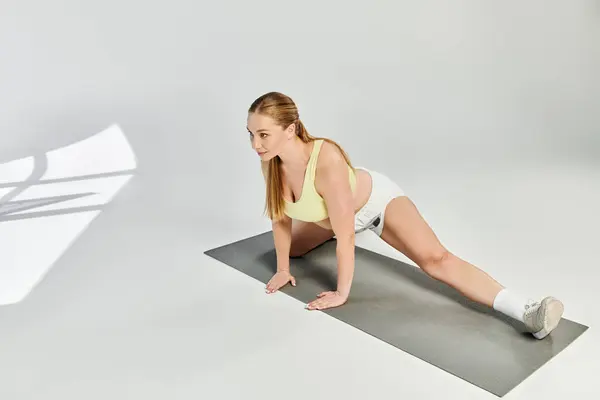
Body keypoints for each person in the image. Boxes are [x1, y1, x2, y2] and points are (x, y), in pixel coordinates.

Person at [246, 91, 564, 340]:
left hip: (375, 204)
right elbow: (280, 217)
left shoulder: (325, 157)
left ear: (290, 130)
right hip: (336, 218)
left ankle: (527, 311)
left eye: (263, 134)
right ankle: (313, 241)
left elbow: (345, 238)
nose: (255, 144)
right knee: (294, 247)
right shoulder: (271, 160)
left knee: (436, 261)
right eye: (251, 134)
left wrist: (342, 294)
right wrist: (283, 268)